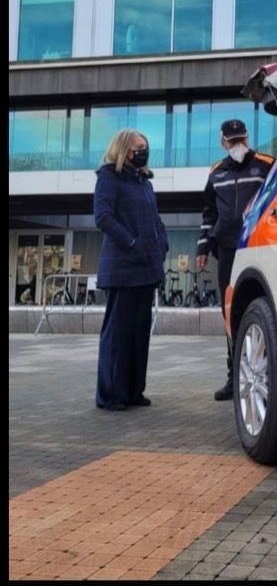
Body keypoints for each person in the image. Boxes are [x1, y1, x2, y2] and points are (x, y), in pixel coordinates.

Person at [196, 119, 274, 400]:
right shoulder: (216, 173)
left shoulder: (266, 164)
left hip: (259, 246)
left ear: (248, 139)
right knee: (230, 314)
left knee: (259, 308)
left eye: (241, 140)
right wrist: (203, 248)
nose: (237, 146)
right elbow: (209, 213)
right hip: (227, 251)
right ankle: (235, 377)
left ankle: (265, 373)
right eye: (232, 141)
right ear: (223, 142)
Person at [93, 129, 169, 411]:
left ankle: (134, 390)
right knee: (118, 334)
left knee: (139, 333)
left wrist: (162, 241)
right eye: (139, 147)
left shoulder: (144, 183)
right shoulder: (109, 177)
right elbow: (103, 217)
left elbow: (153, 218)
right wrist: (132, 241)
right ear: (124, 149)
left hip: (147, 268)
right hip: (123, 267)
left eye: (145, 147)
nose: (143, 152)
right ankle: (112, 394)